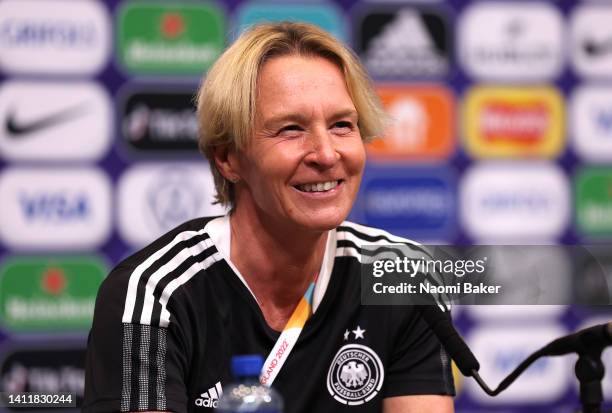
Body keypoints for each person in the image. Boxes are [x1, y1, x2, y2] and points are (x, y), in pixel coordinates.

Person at [83, 22, 455, 413]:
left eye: (342, 125)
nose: (326, 154)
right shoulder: (154, 294)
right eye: (291, 129)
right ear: (228, 158)